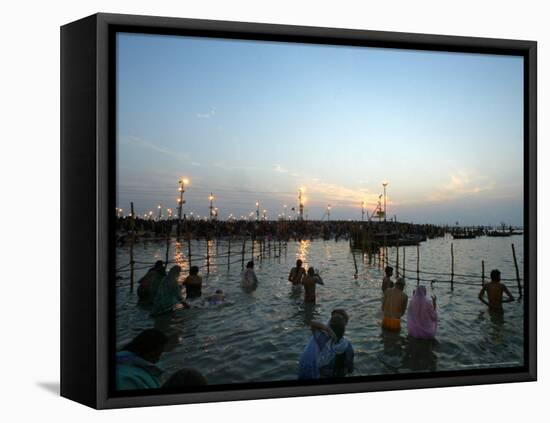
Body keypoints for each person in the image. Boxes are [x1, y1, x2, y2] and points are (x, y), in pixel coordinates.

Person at [298, 310, 354, 379]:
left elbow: (312, 324)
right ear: (344, 330)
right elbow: (350, 369)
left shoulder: (323, 341)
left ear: (330, 328)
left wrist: (327, 329)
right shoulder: (348, 345)